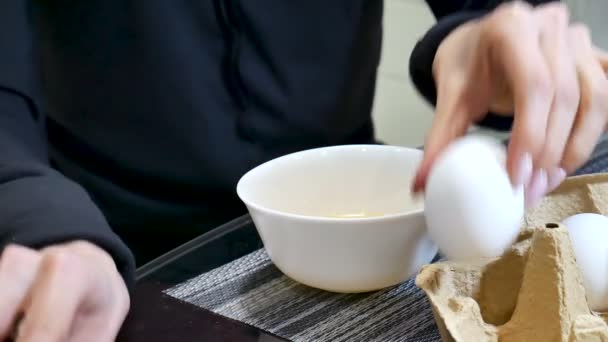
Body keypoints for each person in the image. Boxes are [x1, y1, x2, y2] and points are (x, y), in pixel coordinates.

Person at [0, 0, 605, 340]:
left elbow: (485, 10)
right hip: (111, 243)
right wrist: (28, 204)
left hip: (373, 222)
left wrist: (478, 31)